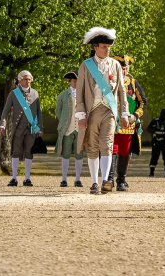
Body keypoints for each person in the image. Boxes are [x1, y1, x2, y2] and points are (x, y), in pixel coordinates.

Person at [75, 27, 129, 194]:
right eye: (104, 46)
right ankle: (94, 183)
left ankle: (106, 180)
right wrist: (81, 114)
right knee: (92, 147)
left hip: (109, 112)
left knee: (107, 145)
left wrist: (124, 112)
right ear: (95, 47)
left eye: (109, 47)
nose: (107, 49)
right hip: (91, 111)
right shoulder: (85, 66)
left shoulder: (115, 65)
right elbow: (80, 92)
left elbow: (121, 91)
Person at [0, 70, 43, 187]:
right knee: (15, 152)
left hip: (31, 128)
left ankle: (27, 178)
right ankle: (14, 178)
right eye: (25, 79)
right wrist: (2, 124)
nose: (28, 81)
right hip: (18, 128)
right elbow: (6, 110)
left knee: (29, 152)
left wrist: (40, 128)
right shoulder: (14, 93)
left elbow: (39, 112)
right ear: (19, 80)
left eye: (29, 79)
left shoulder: (35, 93)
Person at [110, 54, 145, 191]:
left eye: (125, 68)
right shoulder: (109, 80)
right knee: (112, 150)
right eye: (121, 68)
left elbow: (143, 102)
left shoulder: (133, 82)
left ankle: (121, 180)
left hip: (128, 125)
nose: (123, 71)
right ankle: (109, 179)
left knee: (125, 151)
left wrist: (135, 116)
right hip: (112, 123)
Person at [55, 71, 85, 187]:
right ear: (70, 81)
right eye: (74, 80)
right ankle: (64, 179)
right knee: (66, 154)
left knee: (79, 154)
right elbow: (58, 111)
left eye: (78, 80)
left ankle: (78, 179)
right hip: (67, 129)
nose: (76, 83)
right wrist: (65, 121)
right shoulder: (63, 95)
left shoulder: (84, 95)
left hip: (80, 129)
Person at [148, 108, 165, 177]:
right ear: (160, 114)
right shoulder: (155, 121)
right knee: (154, 157)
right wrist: (153, 131)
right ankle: (151, 172)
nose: (163, 116)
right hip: (156, 142)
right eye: (162, 114)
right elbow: (148, 129)